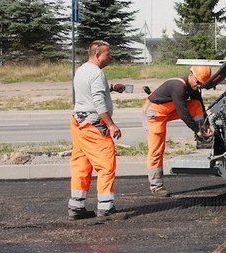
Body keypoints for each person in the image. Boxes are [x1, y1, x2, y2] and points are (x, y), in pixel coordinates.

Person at [68, 40, 128, 222]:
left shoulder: (82, 70)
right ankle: (106, 209)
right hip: (94, 125)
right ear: (97, 55)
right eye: (107, 53)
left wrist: (111, 88)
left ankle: (76, 207)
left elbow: (89, 92)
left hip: (79, 124)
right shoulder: (96, 73)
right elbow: (98, 102)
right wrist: (110, 124)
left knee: (81, 165)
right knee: (106, 165)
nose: (110, 56)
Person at [142, 65, 213, 196]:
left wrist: (206, 124)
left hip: (168, 110)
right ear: (191, 75)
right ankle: (156, 186)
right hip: (154, 114)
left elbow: (200, 104)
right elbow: (183, 112)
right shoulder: (178, 86)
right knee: (157, 150)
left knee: (196, 105)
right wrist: (196, 129)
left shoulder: (193, 87)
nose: (197, 86)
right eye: (197, 82)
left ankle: (201, 139)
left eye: (201, 84)